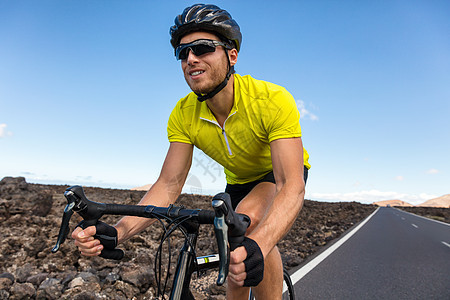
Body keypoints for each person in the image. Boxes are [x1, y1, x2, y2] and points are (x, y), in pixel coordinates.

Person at [72, 4, 310, 300]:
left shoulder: (272, 100)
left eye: (202, 48)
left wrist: (258, 245)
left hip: (276, 175)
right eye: (182, 53)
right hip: (237, 182)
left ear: (232, 55)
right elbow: (168, 184)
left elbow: (291, 185)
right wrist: (118, 232)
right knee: (231, 249)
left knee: (247, 236)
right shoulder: (183, 114)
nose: (191, 59)